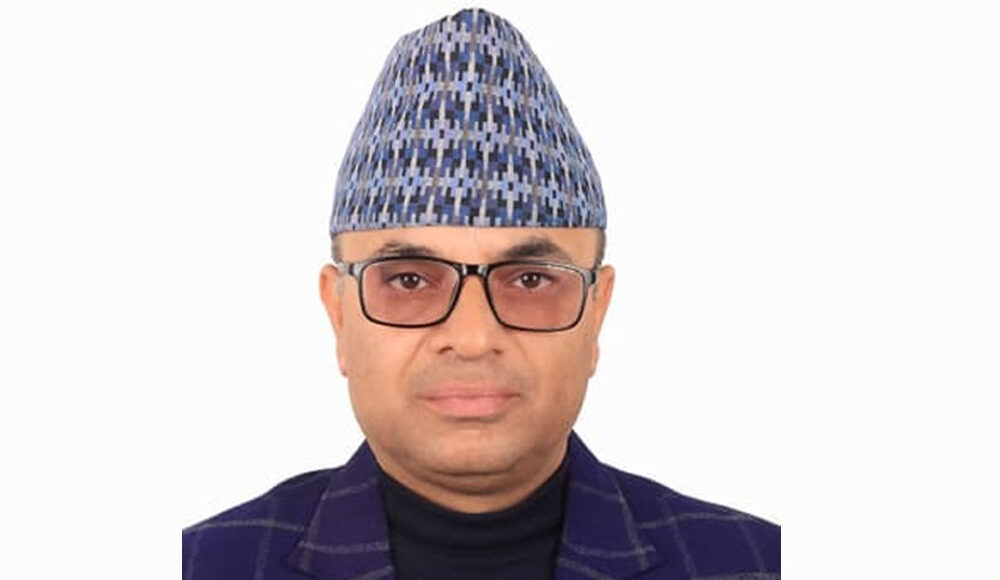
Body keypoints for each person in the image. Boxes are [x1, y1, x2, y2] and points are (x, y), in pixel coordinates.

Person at [182, 7, 780, 579]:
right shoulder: (201, 565)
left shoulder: (756, 562)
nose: (472, 338)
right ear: (339, 313)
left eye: (530, 280)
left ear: (596, 313)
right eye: (410, 280)